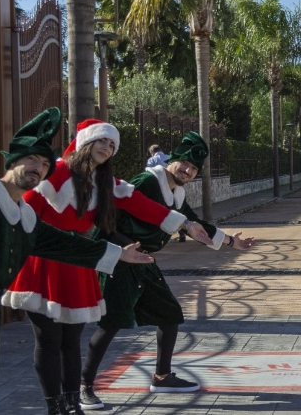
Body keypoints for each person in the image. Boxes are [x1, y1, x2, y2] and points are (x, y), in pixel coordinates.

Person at [0, 107, 153, 415]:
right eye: (31, 159)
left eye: (45, 163)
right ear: (13, 161)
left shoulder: (25, 214)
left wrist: (118, 253)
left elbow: (61, 244)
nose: (38, 167)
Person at [2, 119, 213, 414]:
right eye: (102, 140)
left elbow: (142, 205)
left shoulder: (105, 184)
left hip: (78, 265)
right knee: (49, 340)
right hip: (44, 265)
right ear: (87, 141)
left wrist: (185, 223)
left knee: (72, 340)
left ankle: (73, 401)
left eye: (112, 144)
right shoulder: (56, 173)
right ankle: (55, 406)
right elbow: (21, 215)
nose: (107, 147)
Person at [79, 132, 256, 409]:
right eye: (184, 163)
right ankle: (84, 386)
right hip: (120, 259)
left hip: (144, 261)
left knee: (169, 314)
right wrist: (125, 248)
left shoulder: (176, 193)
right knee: (112, 322)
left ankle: (162, 376)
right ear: (173, 160)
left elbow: (193, 222)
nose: (188, 170)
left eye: (194, 168)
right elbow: (106, 218)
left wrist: (232, 241)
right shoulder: (147, 181)